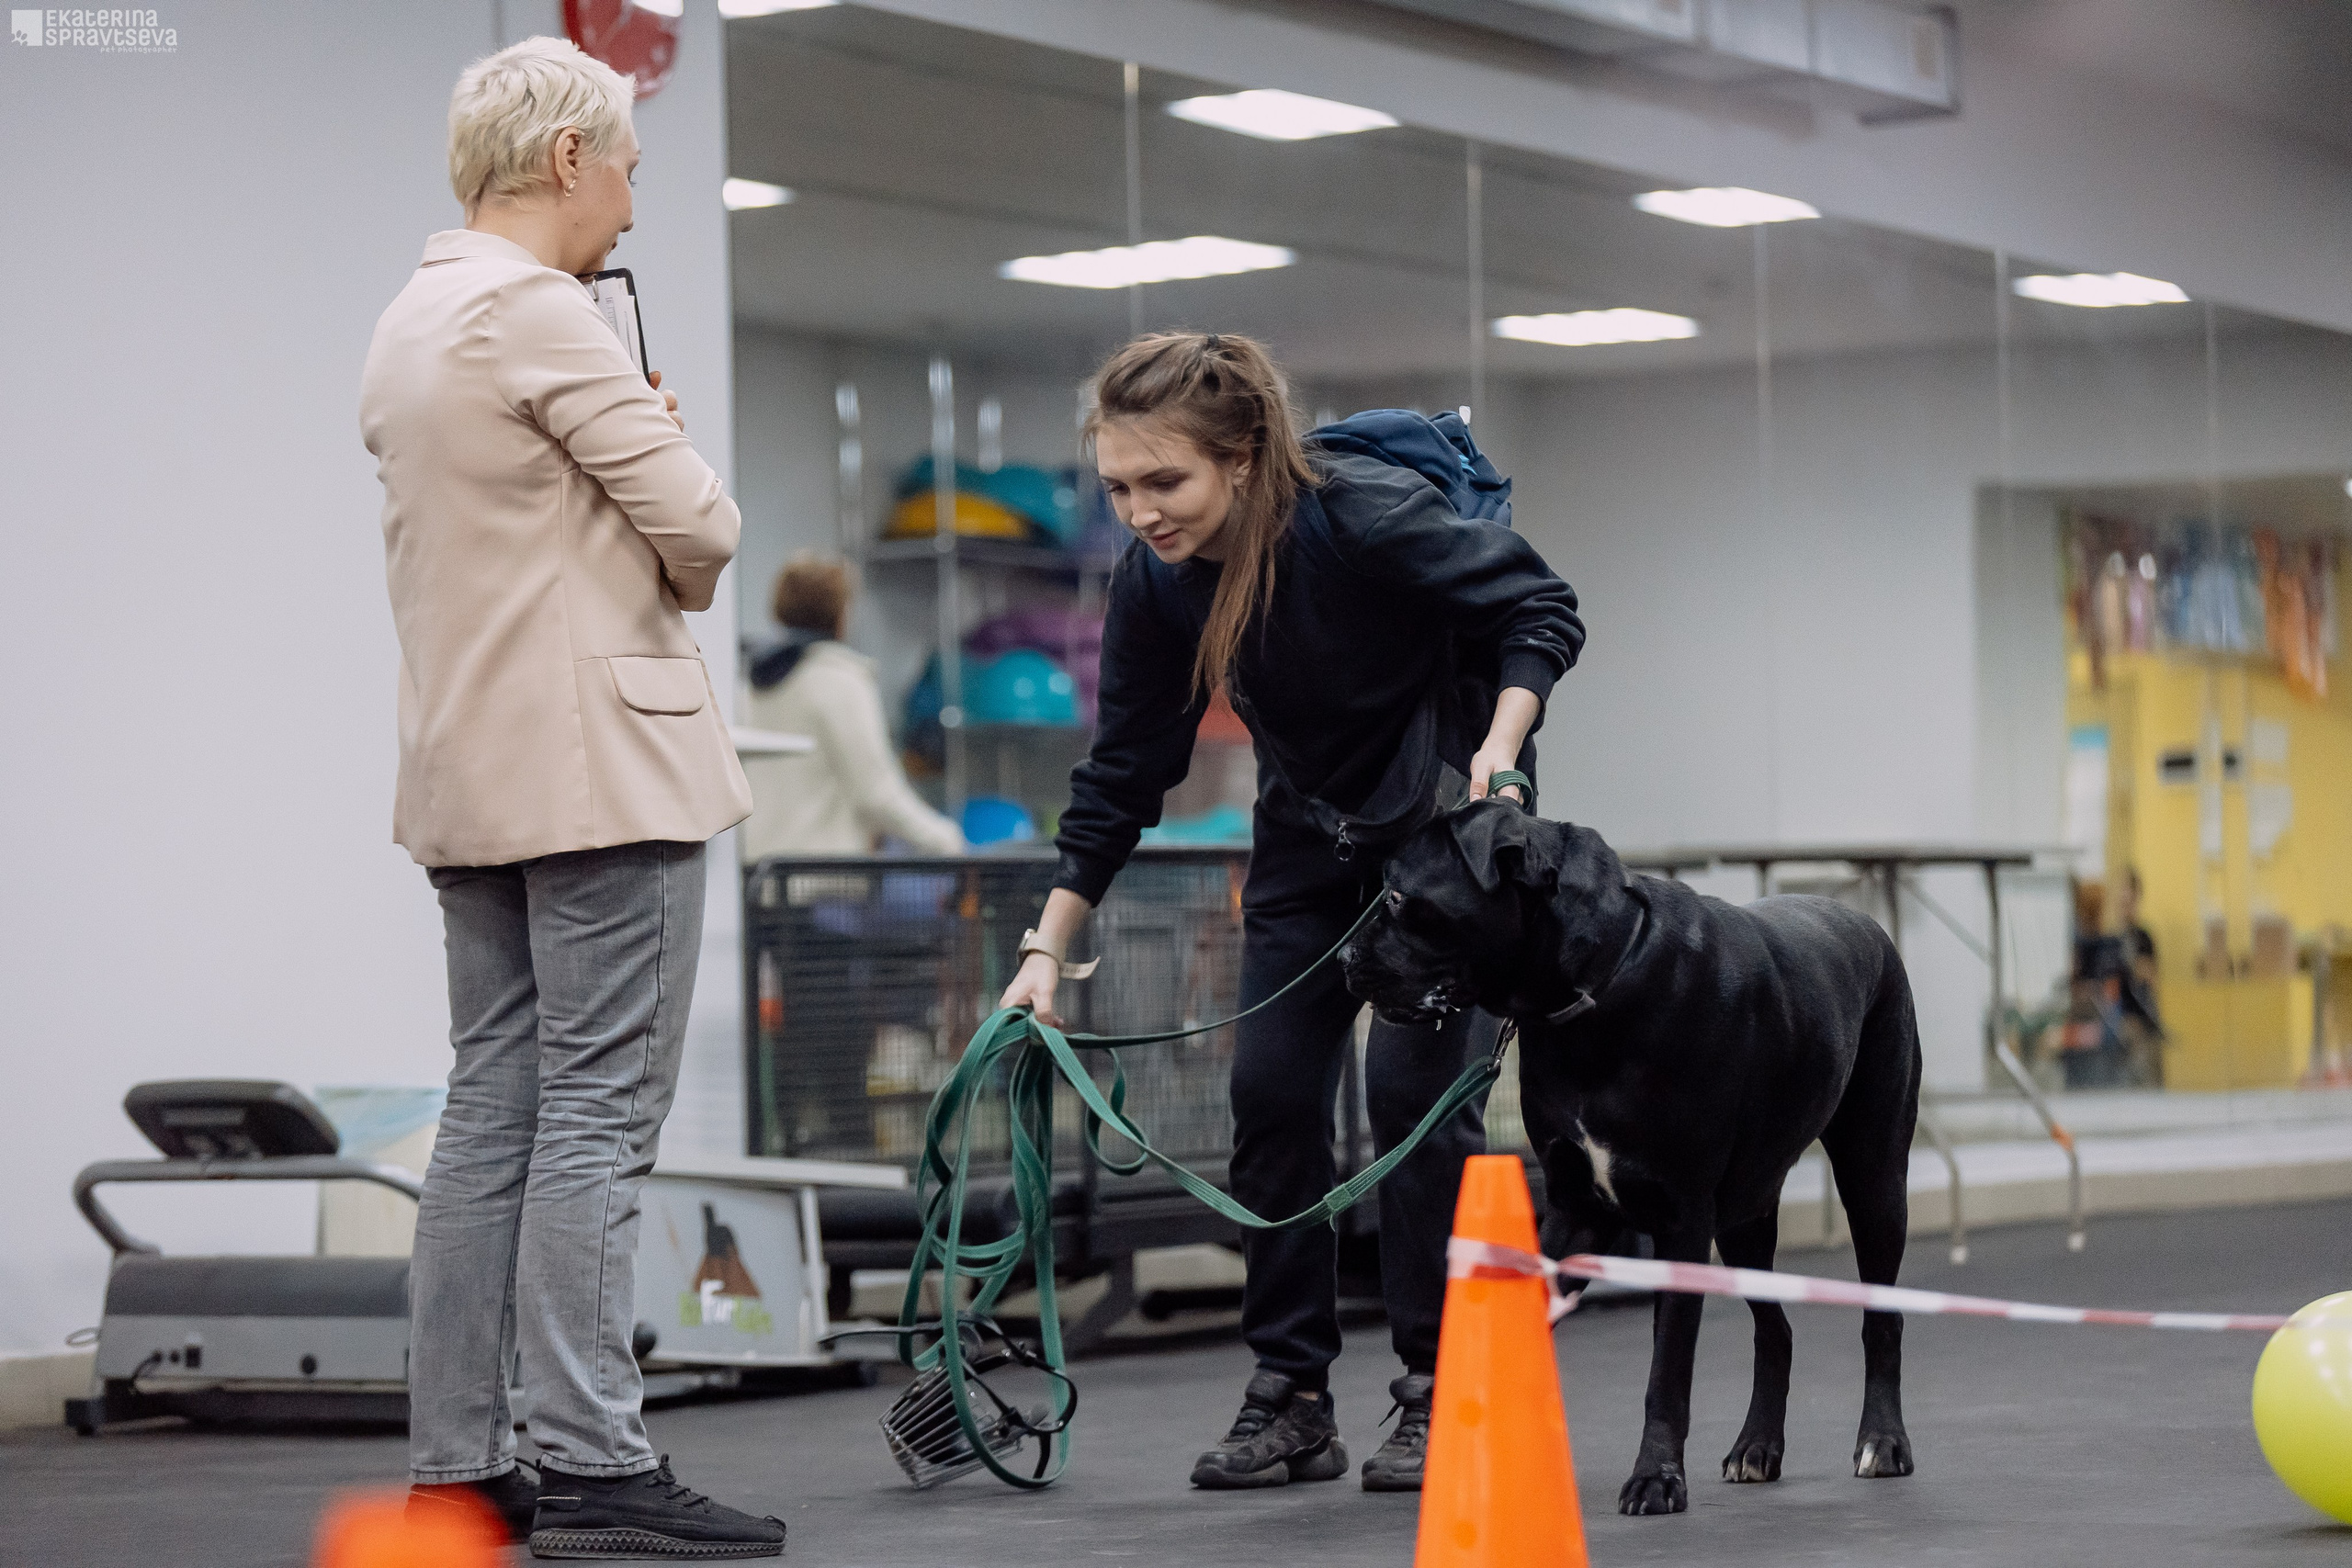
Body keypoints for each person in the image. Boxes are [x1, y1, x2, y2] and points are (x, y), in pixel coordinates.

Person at [1000, 333, 1582, 1493]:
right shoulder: (1158, 584)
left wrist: (1500, 752)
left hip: (1441, 835)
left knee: (1415, 1104)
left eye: (1164, 482)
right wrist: (1043, 951)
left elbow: (1540, 604)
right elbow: (1123, 773)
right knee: (1268, 1095)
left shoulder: (1354, 518)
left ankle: (1437, 1389)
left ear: (1244, 456)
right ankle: (1291, 1396)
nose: (1141, 512)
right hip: (1306, 845)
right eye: (1118, 488)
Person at [359, 36, 784, 1559]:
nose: (628, 199)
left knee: (492, 1116)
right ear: (563, 163)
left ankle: (461, 1466)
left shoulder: (413, 318)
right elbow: (706, 534)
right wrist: (659, 436)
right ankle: (600, 1462)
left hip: (467, 771)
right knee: (598, 1122)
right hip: (604, 767)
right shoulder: (542, 311)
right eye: (626, 166)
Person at [740, 552, 967, 858]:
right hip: (823, 877)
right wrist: (948, 840)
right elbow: (876, 793)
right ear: (840, 614)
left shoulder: (749, 681)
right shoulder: (839, 680)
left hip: (761, 873)